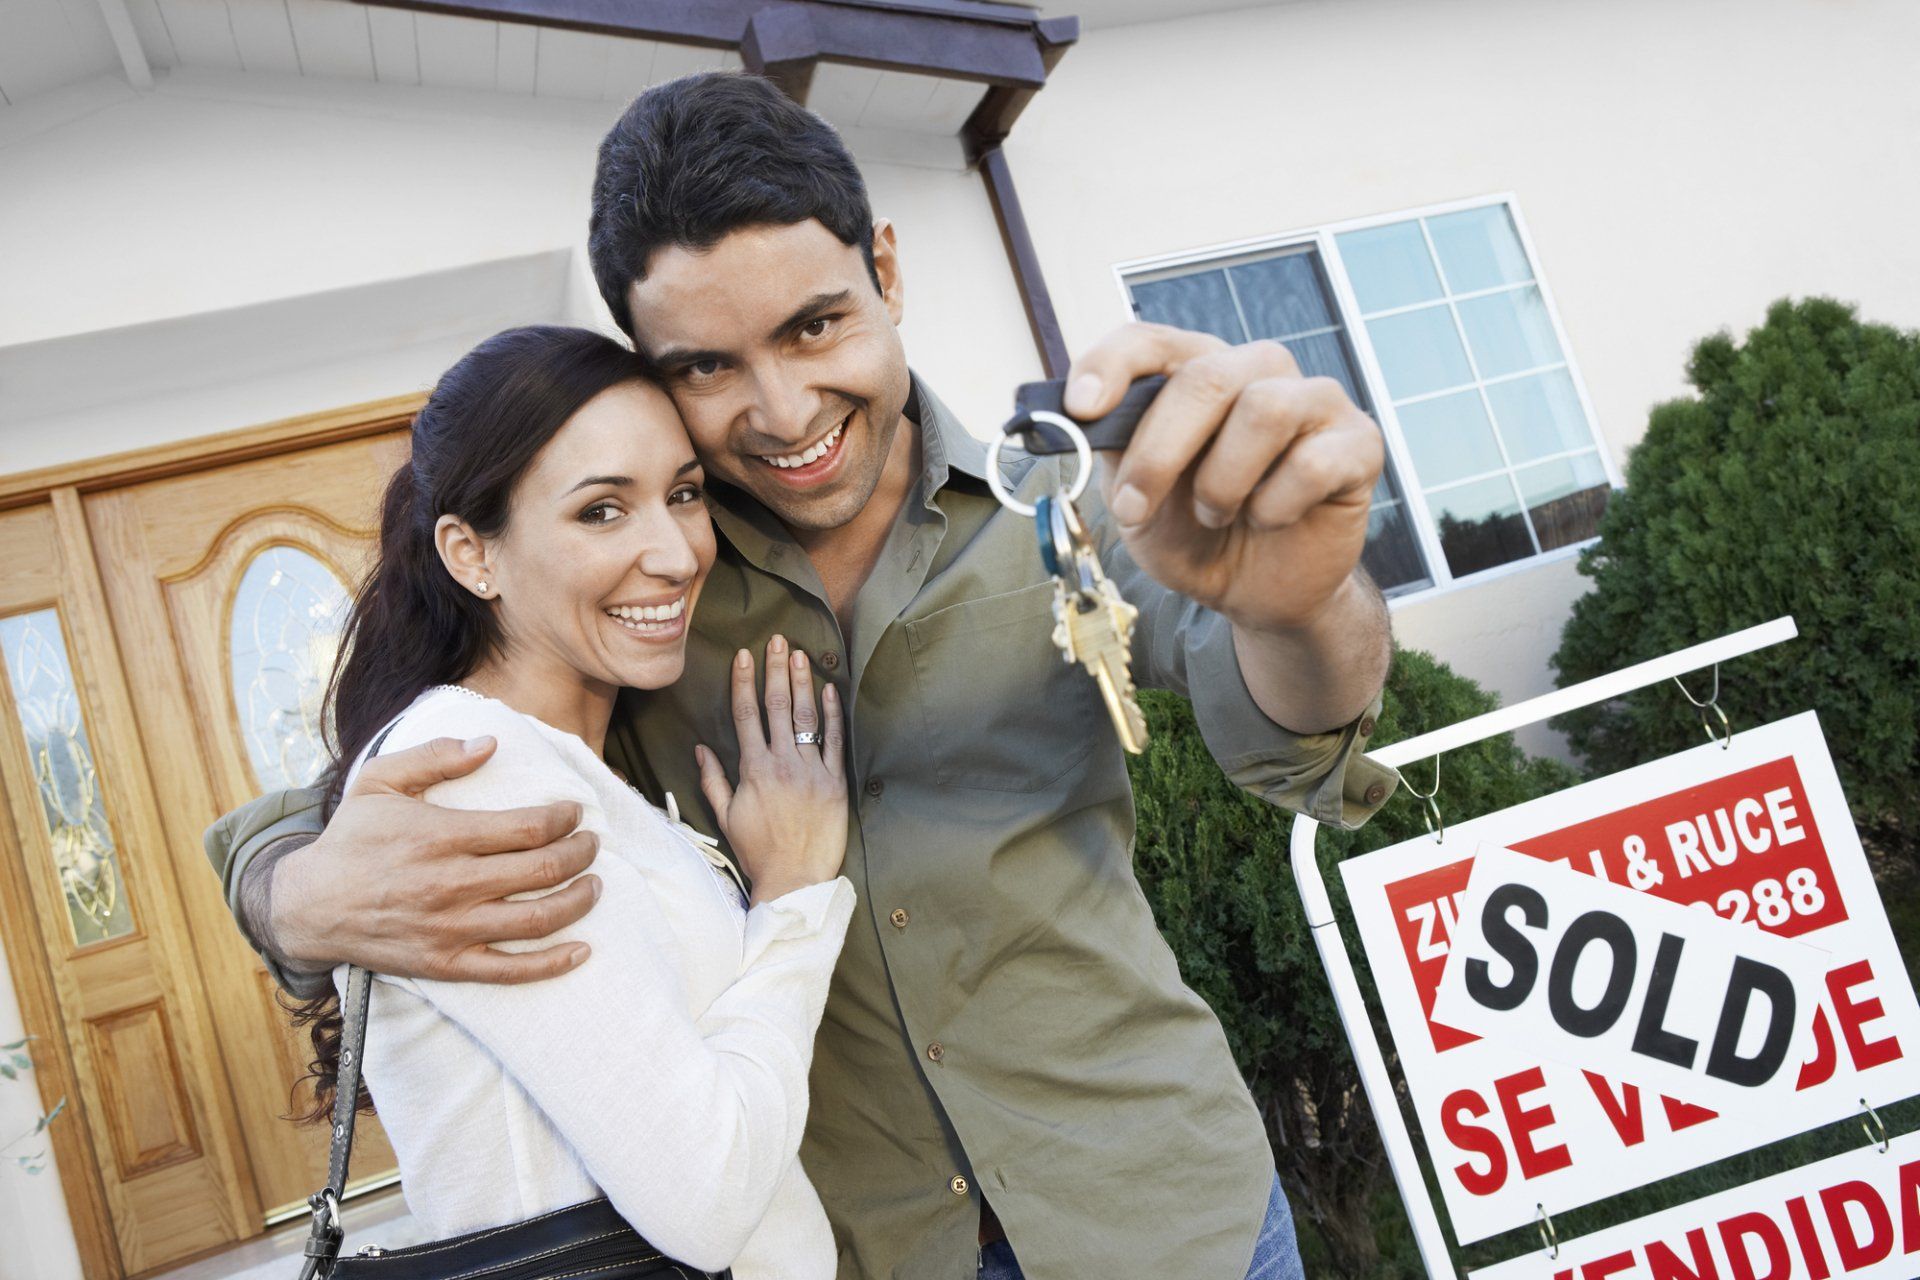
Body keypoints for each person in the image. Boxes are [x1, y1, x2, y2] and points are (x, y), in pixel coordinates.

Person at [207, 73, 1399, 1280]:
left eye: (814, 325)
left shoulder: (1069, 518)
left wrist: (1306, 601)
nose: (783, 410)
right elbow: (373, 791)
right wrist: (296, 900)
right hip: (869, 1253)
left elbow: (1294, 739)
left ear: (885, 267)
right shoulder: (638, 592)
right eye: (710, 365)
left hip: (1165, 1213)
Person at [302, 325, 853, 1277]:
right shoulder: (473, 774)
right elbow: (708, 1194)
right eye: (602, 511)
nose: (678, 554)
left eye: (683, 495)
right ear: (472, 556)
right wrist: (798, 893)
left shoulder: (559, 760)